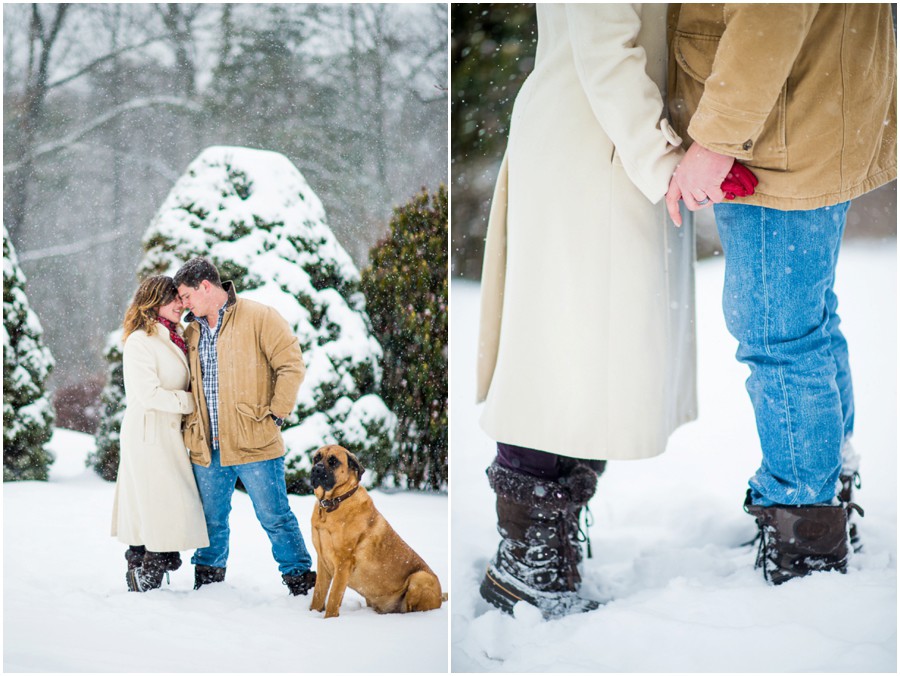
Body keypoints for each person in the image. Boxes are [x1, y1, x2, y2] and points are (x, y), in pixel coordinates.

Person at [476, 4, 699, 618]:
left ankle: (548, 540)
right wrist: (662, 160)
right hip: (597, 139)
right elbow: (606, 46)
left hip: (617, 137)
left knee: (585, 356)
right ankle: (528, 559)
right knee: (557, 350)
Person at [665, 3, 896, 583]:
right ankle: (825, 490)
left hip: (776, 130)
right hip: (811, 106)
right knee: (806, 320)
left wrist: (716, 137)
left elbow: (771, 12)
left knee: (778, 331)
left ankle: (807, 534)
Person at [173, 257, 316, 595]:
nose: (184, 304)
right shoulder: (191, 330)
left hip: (255, 440)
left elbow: (291, 365)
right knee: (210, 520)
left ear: (205, 287)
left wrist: (276, 414)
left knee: (275, 516)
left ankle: (300, 580)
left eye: (186, 296)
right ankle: (208, 583)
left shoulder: (259, 316)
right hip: (207, 443)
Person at [112, 275, 209, 592]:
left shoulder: (176, 336)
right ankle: (144, 573)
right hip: (147, 433)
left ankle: (147, 569)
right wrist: (190, 402)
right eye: (173, 300)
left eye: (181, 299)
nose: (180, 305)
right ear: (154, 302)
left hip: (169, 432)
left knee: (164, 502)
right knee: (155, 502)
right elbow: (148, 393)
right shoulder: (140, 341)